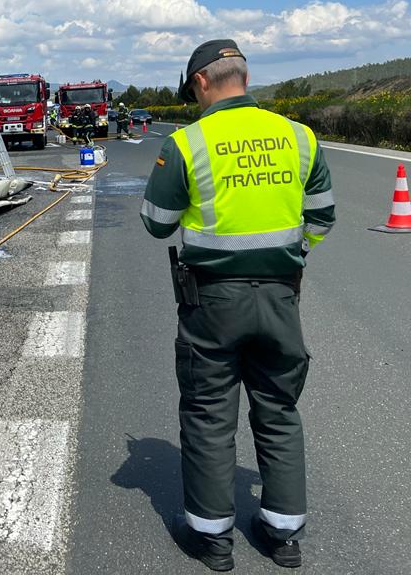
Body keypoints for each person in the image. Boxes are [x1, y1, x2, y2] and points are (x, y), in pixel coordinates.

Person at [140, 40, 335, 571]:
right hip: (280, 295)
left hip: (211, 302)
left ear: (201, 82)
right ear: (244, 77)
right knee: (278, 409)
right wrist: (288, 257)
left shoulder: (188, 143)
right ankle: (283, 532)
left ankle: (211, 537)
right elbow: (322, 217)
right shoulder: (299, 137)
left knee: (208, 413)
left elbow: (157, 221)